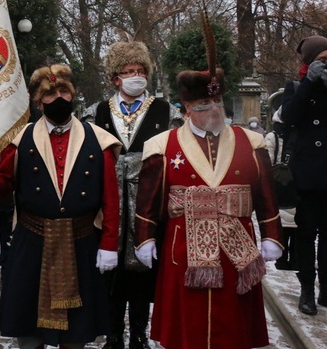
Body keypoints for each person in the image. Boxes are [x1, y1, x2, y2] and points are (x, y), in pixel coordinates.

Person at [134, 60, 283, 349]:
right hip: (183, 250)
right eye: (204, 102)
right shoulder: (162, 145)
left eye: (216, 100)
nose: (213, 107)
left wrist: (272, 235)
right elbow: (149, 199)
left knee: (233, 321)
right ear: (187, 107)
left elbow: (266, 196)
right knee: (187, 322)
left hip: (236, 252)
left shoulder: (252, 143)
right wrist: (144, 238)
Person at [0, 63, 121, 349]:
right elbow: (2, 186)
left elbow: (111, 199)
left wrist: (109, 244)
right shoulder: (20, 140)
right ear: (38, 101)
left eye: (63, 91)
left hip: (81, 242)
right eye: (50, 93)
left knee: (76, 332)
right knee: (28, 327)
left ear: (73, 95)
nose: (58, 98)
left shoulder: (100, 140)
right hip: (31, 242)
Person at [93, 41, 179, 349]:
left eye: (140, 70)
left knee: (143, 267)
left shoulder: (160, 108)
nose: (136, 76)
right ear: (116, 78)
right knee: (112, 269)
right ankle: (114, 332)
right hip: (112, 198)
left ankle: (140, 332)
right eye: (129, 71)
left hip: (147, 197)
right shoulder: (103, 110)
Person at [280, 34, 327, 315]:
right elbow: (289, 115)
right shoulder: (297, 86)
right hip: (307, 176)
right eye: (322, 60)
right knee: (307, 235)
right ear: (309, 62)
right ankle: (307, 289)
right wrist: (309, 83)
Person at [264, 107, 298, 271]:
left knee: (282, 225)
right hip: (297, 185)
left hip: (278, 186)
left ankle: (282, 259)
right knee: (297, 226)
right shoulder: (299, 135)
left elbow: (267, 162)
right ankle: (295, 259)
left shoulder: (272, 137)